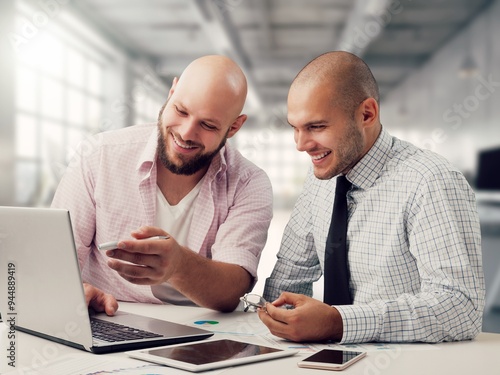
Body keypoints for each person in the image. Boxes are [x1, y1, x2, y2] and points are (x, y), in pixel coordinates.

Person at [258, 51, 485, 344]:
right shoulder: (321, 180)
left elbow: (461, 308)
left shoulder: (430, 181)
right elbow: (287, 279)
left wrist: (339, 323)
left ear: (367, 114)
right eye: (295, 128)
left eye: (316, 127)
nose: (301, 145)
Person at [51, 55, 273, 314]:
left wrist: (179, 265)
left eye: (208, 125)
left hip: (200, 328)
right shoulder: (98, 156)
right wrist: (75, 291)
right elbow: (54, 261)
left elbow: (232, 291)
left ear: (234, 126)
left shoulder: (249, 183)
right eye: (181, 110)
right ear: (172, 91)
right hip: (109, 316)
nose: (186, 133)